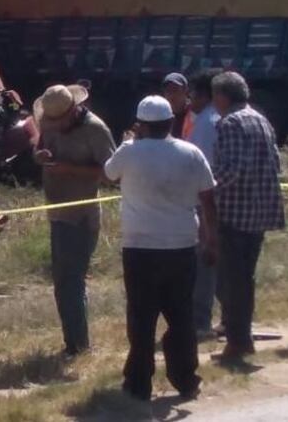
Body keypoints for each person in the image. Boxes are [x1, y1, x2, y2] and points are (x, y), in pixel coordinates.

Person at [105, 96, 218, 402]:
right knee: (181, 316)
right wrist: (211, 240)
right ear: (171, 122)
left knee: (142, 317)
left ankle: (139, 383)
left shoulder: (129, 152)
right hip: (181, 245)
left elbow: (109, 174)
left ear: (140, 125)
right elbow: (208, 199)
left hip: (140, 247)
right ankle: (185, 378)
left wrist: (129, 141)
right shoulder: (190, 152)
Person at [33, 84, 116, 356]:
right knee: (62, 282)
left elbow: (112, 174)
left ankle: (79, 346)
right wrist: (39, 156)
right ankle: (74, 342)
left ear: (74, 110)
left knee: (71, 281)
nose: (53, 126)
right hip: (57, 212)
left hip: (81, 217)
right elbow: (41, 145)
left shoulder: (96, 130)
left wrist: (72, 169)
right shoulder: (50, 126)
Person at [211, 71, 284, 363]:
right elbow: (276, 162)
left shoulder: (230, 122)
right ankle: (241, 337)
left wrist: (204, 188)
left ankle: (238, 343)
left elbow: (231, 169)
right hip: (258, 211)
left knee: (233, 280)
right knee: (243, 279)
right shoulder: (260, 119)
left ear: (222, 96)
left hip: (234, 213)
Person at [188, 70, 223, 339]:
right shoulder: (221, 118)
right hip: (224, 201)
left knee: (205, 261)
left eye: (193, 95)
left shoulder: (205, 123)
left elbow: (199, 168)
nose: (190, 101)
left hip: (206, 201)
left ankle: (201, 321)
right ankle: (231, 317)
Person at [162, 72, 193, 139]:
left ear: (186, 91)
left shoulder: (193, 113)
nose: (172, 95)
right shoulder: (162, 116)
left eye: (175, 90)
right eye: (168, 90)